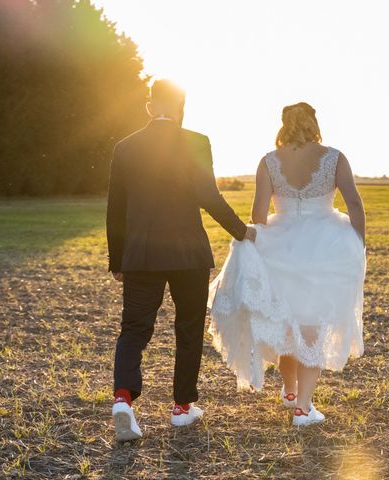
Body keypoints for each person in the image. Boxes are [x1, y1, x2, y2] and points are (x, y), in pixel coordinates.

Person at [106, 79, 256, 440]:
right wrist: (242, 231)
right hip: (189, 254)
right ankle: (182, 407)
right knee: (188, 328)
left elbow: (116, 211)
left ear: (149, 106)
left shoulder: (125, 147)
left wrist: (117, 260)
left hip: (140, 255)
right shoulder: (197, 142)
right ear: (181, 106)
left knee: (134, 329)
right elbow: (209, 195)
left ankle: (124, 399)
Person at [208, 102, 366, 426]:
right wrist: (358, 244)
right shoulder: (335, 157)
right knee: (311, 326)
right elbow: (354, 203)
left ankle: (290, 391)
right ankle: (303, 410)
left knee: (287, 323)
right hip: (326, 247)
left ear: (284, 125)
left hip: (278, 246)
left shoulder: (268, 161)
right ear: (313, 122)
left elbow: (258, 215)